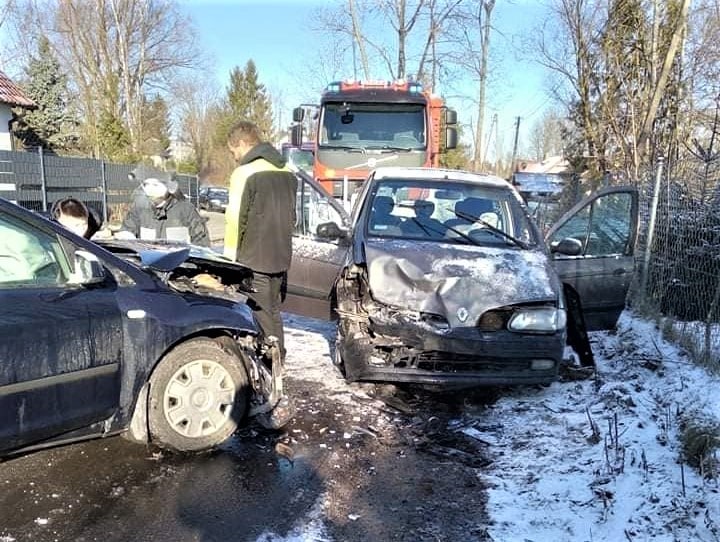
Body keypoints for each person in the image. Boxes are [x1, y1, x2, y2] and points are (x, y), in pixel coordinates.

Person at [224, 120, 297, 357]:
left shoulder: (245, 173)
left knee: (260, 316)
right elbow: (292, 216)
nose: (234, 156)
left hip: (254, 258)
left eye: (233, 150)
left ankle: (268, 367)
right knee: (273, 313)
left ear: (243, 143)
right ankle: (278, 362)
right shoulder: (286, 171)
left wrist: (228, 261)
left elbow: (236, 219)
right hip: (280, 257)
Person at [118, 166, 210, 246]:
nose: (150, 188)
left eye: (155, 184)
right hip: (147, 264)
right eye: (146, 184)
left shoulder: (186, 210)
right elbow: (127, 231)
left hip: (179, 264)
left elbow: (202, 242)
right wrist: (126, 236)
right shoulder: (139, 209)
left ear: (169, 186)